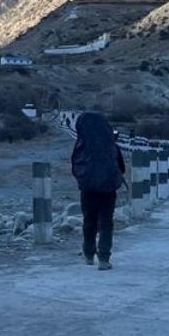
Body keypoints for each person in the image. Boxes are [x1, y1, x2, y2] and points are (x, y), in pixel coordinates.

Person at [70, 111, 126, 271]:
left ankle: (88, 254)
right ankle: (104, 258)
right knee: (106, 222)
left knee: (89, 220)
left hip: (87, 188)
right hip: (108, 189)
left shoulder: (81, 145)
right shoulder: (110, 144)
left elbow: (75, 167)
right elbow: (121, 167)